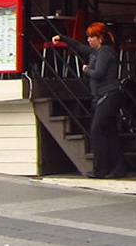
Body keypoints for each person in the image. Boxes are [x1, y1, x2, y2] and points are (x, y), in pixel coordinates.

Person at [51, 22, 124, 178]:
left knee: (96, 130)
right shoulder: (97, 52)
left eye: (92, 37)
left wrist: (86, 69)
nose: (89, 40)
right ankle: (117, 168)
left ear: (101, 38)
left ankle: (101, 168)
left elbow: (98, 73)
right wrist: (62, 38)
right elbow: (79, 47)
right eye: (88, 37)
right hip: (104, 96)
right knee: (109, 132)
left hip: (108, 95)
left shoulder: (104, 52)